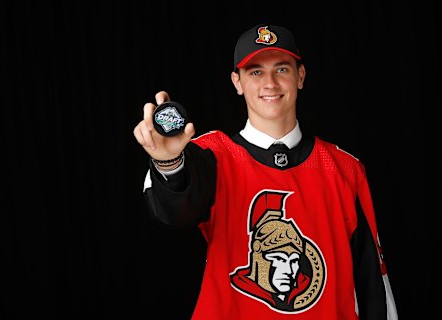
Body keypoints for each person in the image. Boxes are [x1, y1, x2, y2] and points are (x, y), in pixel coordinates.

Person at [133, 23, 398, 319]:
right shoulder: (212, 155)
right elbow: (174, 211)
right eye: (256, 72)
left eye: (282, 69)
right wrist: (168, 162)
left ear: (300, 76)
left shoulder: (345, 169)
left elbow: (373, 284)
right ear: (237, 82)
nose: (270, 83)